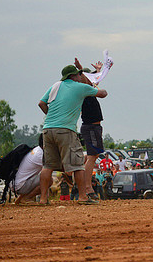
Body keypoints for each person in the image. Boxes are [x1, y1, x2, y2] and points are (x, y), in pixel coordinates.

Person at [37, 64, 107, 205]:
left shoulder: (56, 86)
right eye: (78, 74)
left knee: (47, 166)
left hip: (47, 128)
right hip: (65, 129)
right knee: (77, 164)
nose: (79, 76)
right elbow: (103, 93)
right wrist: (94, 84)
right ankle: (83, 197)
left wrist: (51, 117)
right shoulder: (78, 87)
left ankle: (43, 199)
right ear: (73, 76)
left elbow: (41, 103)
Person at [77, 59, 106, 201]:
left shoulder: (88, 89)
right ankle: (87, 187)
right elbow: (88, 82)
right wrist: (81, 69)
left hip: (94, 127)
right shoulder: (83, 89)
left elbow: (93, 82)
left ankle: (85, 185)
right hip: (91, 127)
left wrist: (99, 71)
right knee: (92, 157)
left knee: (91, 157)